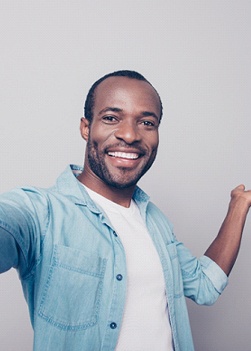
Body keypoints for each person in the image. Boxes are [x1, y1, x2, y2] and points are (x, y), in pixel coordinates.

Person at [0, 70, 250, 351]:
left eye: (146, 122)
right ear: (86, 127)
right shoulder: (40, 212)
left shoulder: (155, 222)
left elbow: (205, 285)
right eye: (111, 118)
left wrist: (239, 205)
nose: (130, 135)